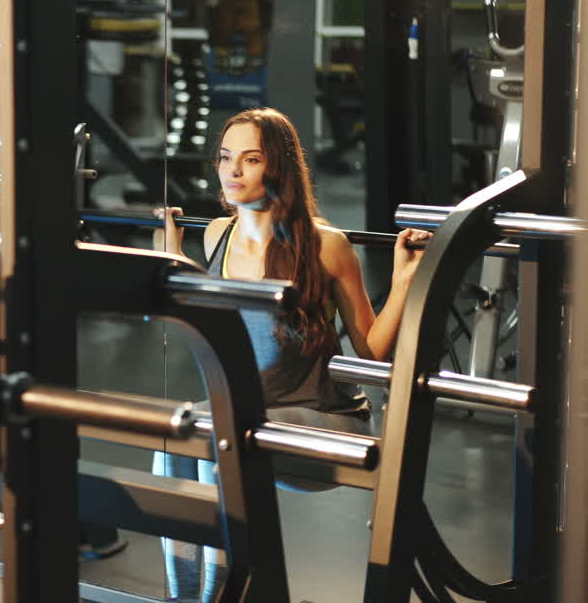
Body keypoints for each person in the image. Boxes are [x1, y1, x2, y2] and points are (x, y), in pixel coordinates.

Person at [151, 107, 431, 601]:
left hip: (326, 421)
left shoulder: (326, 245)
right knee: (171, 439)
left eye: (251, 159)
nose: (232, 171)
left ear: (277, 166)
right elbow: (200, 319)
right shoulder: (217, 234)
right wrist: (171, 260)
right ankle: (187, 596)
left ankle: (223, 598)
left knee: (220, 443)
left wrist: (405, 279)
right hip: (245, 420)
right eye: (225, 157)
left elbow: (372, 351)